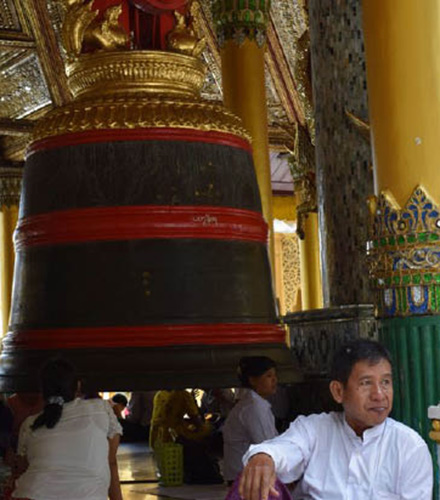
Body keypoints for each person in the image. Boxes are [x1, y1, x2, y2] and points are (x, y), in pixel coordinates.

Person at [238, 339, 433, 500]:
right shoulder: (314, 430)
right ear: (338, 391)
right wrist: (264, 457)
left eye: (385, 382)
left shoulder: (409, 447)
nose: (379, 395)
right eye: (366, 383)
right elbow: (284, 448)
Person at [11, 358, 123, 500]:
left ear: (43, 390)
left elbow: (22, 469)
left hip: (32, 494)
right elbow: (111, 462)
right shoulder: (101, 410)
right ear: (78, 385)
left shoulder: (30, 424)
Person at [222, 356, 278, 484]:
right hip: (244, 478)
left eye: (275, 375)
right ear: (253, 380)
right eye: (268, 376)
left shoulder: (256, 404)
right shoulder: (253, 407)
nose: (275, 380)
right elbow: (266, 443)